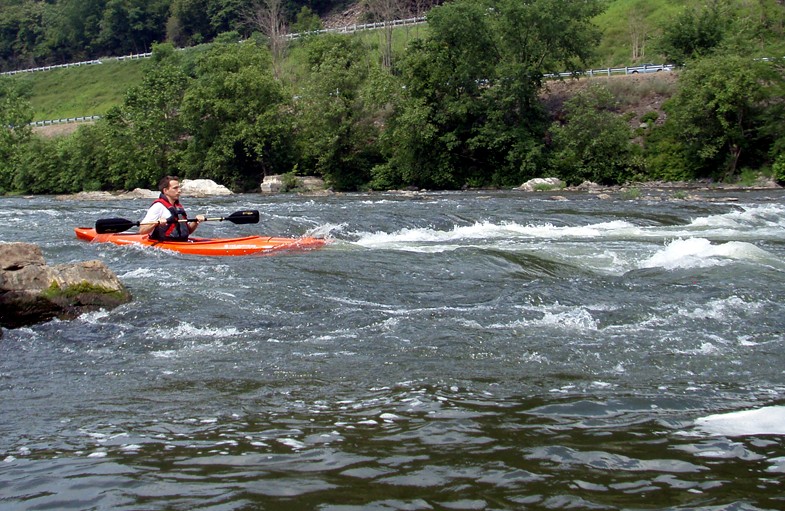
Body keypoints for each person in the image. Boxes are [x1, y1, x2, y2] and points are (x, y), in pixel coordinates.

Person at [139, 176, 205, 241]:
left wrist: (196, 221)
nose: (179, 191)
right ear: (165, 190)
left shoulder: (178, 207)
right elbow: (142, 230)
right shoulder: (158, 206)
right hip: (163, 244)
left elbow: (188, 231)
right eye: (175, 188)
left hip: (181, 242)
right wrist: (156, 223)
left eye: (179, 188)